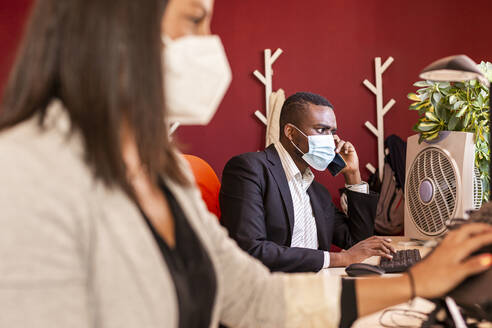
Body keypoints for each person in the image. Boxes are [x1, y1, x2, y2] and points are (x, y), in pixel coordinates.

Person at [0, 0, 490, 328]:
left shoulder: (164, 178)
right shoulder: (25, 176)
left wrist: (416, 282)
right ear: (115, 27)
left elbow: (253, 296)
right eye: (195, 20)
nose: (209, 45)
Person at [220, 92, 394, 272]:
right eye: (321, 130)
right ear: (291, 132)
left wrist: (353, 175)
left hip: (319, 285)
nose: (331, 140)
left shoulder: (317, 192)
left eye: (332, 132)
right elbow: (251, 250)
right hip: (272, 289)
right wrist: (341, 258)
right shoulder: (249, 169)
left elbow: (358, 243)